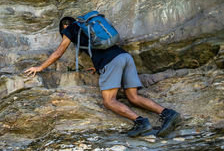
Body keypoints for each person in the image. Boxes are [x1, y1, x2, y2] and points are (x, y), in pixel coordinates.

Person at [24, 16, 181, 137]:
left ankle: (141, 123)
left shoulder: (70, 29)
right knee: (133, 97)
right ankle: (168, 113)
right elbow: (101, 50)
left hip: (111, 62)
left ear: (64, 27)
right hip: (124, 56)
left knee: (109, 101)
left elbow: (59, 52)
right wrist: (99, 66)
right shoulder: (88, 28)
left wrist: (40, 67)